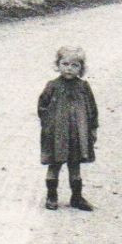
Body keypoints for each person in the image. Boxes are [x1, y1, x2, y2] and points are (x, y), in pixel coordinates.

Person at [37, 45, 98, 211]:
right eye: (65, 64)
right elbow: (42, 107)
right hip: (56, 135)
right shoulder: (52, 86)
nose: (69, 69)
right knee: (54, 165)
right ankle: (51, 195)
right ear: (58, 65)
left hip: (77, 135)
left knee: (75, 166)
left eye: (74, 65)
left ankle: (76, 197)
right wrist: (49, 126)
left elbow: (92, 110)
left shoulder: (84, 87)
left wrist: (92, 129)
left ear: (81, 68)